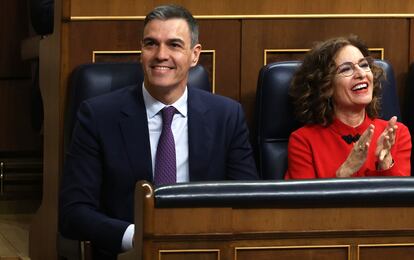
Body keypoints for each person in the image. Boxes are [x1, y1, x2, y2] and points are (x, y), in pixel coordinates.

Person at [59, 4, 258, 260]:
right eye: (151, 43)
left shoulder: (227, 116)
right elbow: (73, 212)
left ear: (195, 55)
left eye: (174, 45)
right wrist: (139, 237)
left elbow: (247, 202)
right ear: (141, 51)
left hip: (205, 251)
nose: (160, 55)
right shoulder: (98, 116)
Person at [285, 35, 411, 179]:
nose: (361, 74)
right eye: (346, 69)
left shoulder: (397, 134)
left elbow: (400, 199)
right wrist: (345, 171)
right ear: (326, 87)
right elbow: (303, 200)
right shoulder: (303, 141)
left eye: (364, 65)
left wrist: (385, 162)